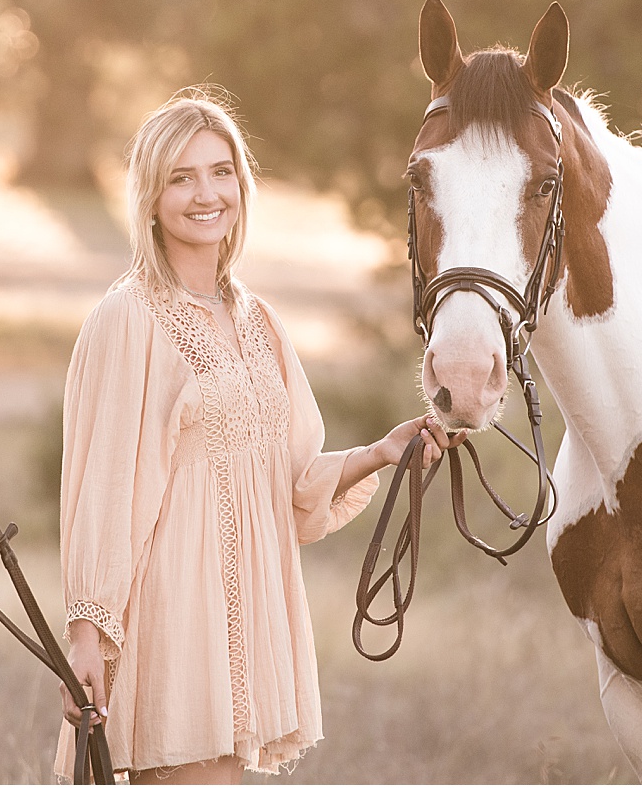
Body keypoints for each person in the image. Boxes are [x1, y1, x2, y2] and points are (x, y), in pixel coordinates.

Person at [54, 90, 455, 783]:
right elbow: (104, 491)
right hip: (174, 620)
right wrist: (84, 635)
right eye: (181, 177)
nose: (206, 193)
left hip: (247, 622)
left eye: (220, 172)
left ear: (242, 183)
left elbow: (289, 485)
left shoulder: (257, 318)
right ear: (150, 197)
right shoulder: (128, 319)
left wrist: (379, 454)